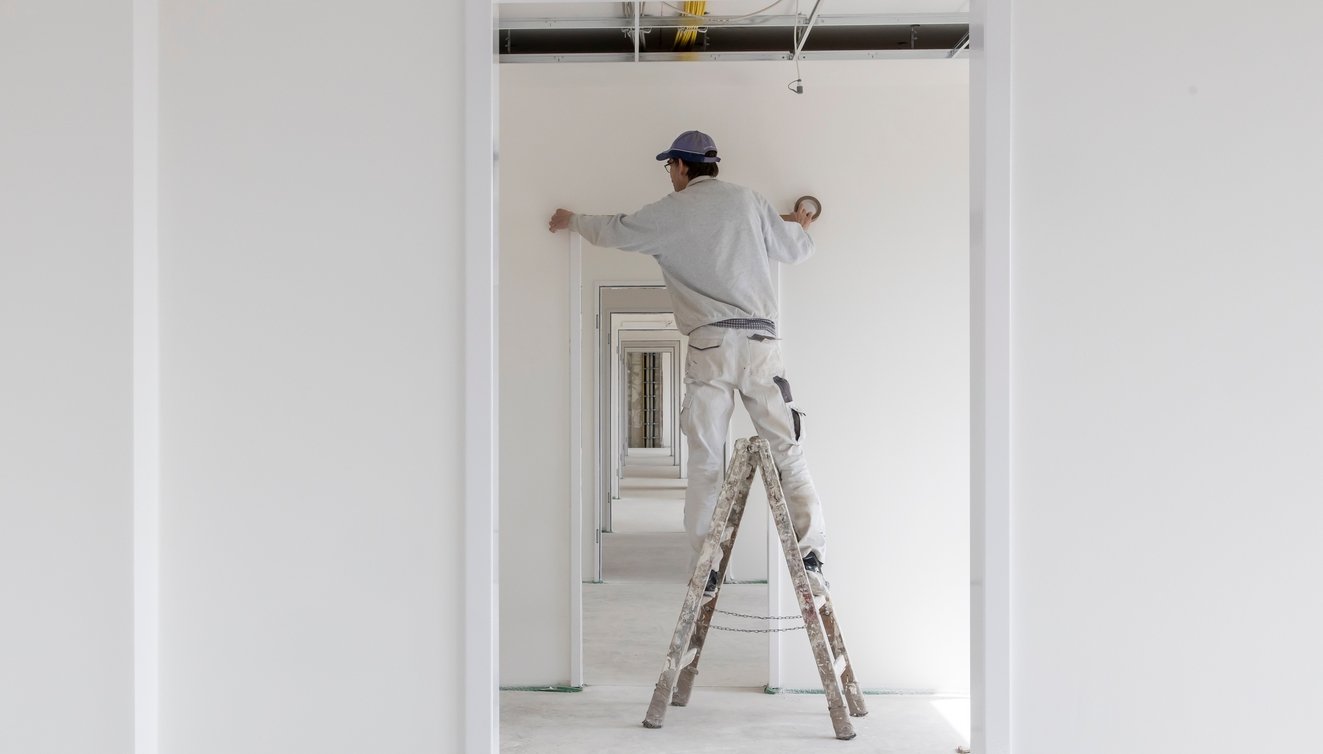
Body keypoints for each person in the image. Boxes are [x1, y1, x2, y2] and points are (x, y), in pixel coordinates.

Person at [548, 130, 828, 595]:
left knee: (704, 463)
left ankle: (708, 569)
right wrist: (800, 222)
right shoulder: (749, 202)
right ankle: (812, 556)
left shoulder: (668, 213)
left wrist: (572, 219)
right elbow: (797, 250)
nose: (670, 176)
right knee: (787, 451)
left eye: (669, 168)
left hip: (709, 348)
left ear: (680, 166)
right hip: (759, 344)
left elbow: (614, 228)